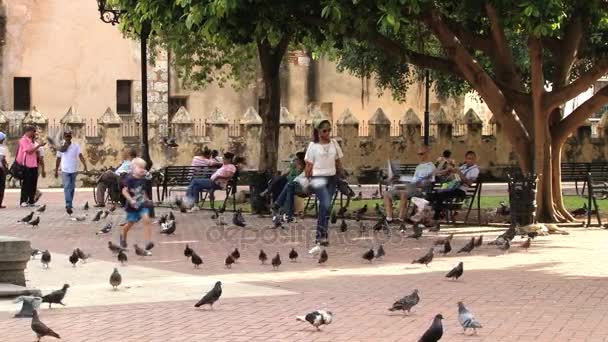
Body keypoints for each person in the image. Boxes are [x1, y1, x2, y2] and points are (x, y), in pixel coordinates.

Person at [304, 119, 344, 246]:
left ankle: (323, 235)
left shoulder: (334, 143)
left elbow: (338, 161)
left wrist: (341, 174)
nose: (327, 133)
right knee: (325, 204)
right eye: (324, 130)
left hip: (332, 178)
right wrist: (307, 179)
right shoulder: (313, 146)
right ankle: (320, 236)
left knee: (326, 207)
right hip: (318, 178)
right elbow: (308, 165)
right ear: (318, 132)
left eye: (329, 130)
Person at [428, 150, 480, 229]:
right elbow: (454, 176)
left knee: (440, 195)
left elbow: (469, 183)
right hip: (452, 187)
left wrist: (459, 173)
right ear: (465, 159)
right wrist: (450, 172)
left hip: (460, 191)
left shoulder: (475, 170)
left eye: (472, 159)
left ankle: (436, 220)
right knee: (433, 195)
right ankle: (435, 217)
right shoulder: (463, 167)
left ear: (475, 159)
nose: (470, 160)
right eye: (468, 158)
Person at [383, 146, 436, 223]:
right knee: (387, 193)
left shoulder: (430, 166)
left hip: (420, 189)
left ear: (427, 154)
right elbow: (414, 179)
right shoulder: (419, 166)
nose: (419, 156)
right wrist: (399, 179)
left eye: (421, 154)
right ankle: (389, 218)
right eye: (418, 154)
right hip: (411, 186)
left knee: (403, 191)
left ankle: (400, 218)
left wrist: (403, 179)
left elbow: (422, 180)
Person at [120, 157, 154, 254]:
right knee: (130, 224)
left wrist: (147, 199)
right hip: (133, 206)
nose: (143, 170)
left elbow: (142, 191)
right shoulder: (129, 179)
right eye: (140, 167)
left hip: (142, 204)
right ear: (133, 168)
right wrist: (130, 200)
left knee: (146, 220)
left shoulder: (143, 179)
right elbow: (124, 191)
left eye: (144, 168)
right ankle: (123, 235)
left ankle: (147, 243)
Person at [54, 131, 88, 214]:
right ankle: (68, 204)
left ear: (71, 137)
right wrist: (56, 169)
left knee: (72, 188)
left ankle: (70, 203)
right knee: (67, 187)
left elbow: (80, 155)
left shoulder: (75, 146)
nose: (68, 138)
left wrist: (85, 165)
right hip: (65, 170)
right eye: (66, 136)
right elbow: (58, 158)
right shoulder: (61, 147)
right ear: (64, 137)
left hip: (73, 170)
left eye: (69, 136)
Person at [271, 152, 306, 222]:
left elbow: (302, 178)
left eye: (297, 159)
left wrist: (298, 168)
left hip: (306, 187)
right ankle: (287, 214)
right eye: (295, 159)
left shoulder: (306, 167)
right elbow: (289, 175)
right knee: (287, 184)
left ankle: (277, 205)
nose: (295, 161)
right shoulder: (296, 166)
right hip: (296, 184)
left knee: (289, 184)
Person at [16, 126, 46, 207]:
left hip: (34, 165)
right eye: (33, 132)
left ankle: (31, 201)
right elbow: (29, 151)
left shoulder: (31, 141)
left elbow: (35, 152)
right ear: (28, 131)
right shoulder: (23, 140)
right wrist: (39, 145)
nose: (34, 134)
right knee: (26, 184)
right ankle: (23, 201)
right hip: (26, 165)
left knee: (33, 184)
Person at [0, 131, 7, 209]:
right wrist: (5, 168)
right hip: (0, 169)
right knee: (1, 187)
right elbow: (2, 159)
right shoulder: (2, 148)